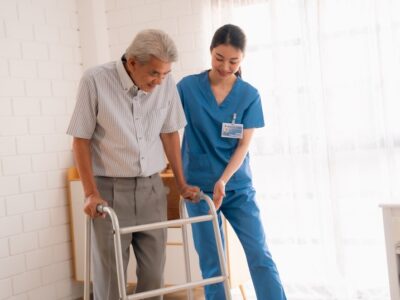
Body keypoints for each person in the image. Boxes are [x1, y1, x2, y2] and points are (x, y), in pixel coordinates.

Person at [67, 29, 199, 300]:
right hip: (109, 192)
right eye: (154, 73)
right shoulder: (95, 80)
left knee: (154, 276)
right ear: (132, 62)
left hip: (152, 190)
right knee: (111, 277)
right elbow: (80, 140)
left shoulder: (166, 84)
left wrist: (181, 183)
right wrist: (90, 193)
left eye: (165, 74)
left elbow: (170, 133)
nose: (160, 81)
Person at [177, 24, 287, 300]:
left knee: (259, 254)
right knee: (212, 263)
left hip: (236, 187)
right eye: (219, 58)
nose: (225, 66)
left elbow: (243, 146)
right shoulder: (187, 88)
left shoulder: (249, 95)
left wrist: (223, 180)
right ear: (210, 52)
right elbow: (165, 126)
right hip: (198, 191)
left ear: (243, 60)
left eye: (233, 61)